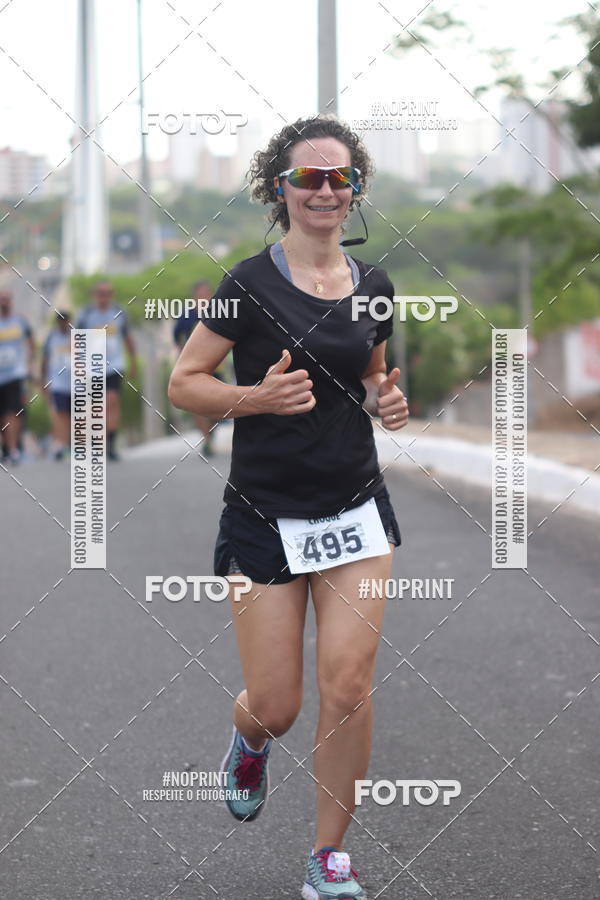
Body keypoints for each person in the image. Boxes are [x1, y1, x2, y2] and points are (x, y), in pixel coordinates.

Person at [168, 115, 409, 900]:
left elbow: (372, 371)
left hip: (354, 508)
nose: (326, 190)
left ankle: (328, 857)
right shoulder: (247, 284)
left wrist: (386, 396)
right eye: (309, 177)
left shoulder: (374, 287)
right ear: (281, 189)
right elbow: (184, 382)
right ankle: (248, 740)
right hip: (267, 514)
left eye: (339, 178)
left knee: (348, 683)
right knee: (277, 705)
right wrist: (255, 398)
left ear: (356, 189)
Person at [75, 280, 138, 461]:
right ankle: (96, 442)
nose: (104, 296)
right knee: (96, 406)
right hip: (92, 367)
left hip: (115, 365)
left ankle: (110, 443)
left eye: (107, 293)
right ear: (94, 295)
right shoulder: (86, 314)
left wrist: (133, 361)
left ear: (112, 295)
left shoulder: (118, 313)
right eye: (100, 293)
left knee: (112, 401)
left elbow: (127, 338)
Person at [173, 280, 232, 456]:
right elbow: (178, 339)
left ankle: (211, 433)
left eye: (207, 293)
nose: (203, 298)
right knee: (198, 405)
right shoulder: (186, 316)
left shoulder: (219, 312)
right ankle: (206, 439)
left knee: (216, 406)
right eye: (200, 294)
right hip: (195, 368)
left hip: (218, 366)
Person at [0, 289, 35, 465]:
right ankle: (6, 448)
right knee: (2, 416)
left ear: (11, 301)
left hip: (15, 374)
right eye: (1, 299)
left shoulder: (20, 321)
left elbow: (31, 342)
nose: (4, 302)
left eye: (6, 298)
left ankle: (13, 449)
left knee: (13, 412)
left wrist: (29, 363)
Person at [41, 310, 72, 460]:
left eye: (65, 320)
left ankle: (75, 444)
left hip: (76, 383)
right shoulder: (51, 338)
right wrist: (43, 382)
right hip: (58, 383)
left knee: (76, 415)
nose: (63, 323)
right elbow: (45, 360)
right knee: (61, 415)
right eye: (60, 320)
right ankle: (61, 444)